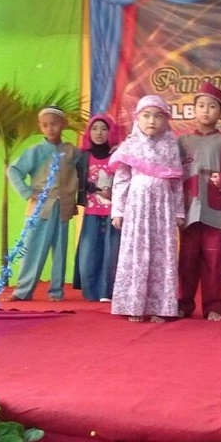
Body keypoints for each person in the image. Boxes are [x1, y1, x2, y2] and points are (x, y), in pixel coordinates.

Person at [108, 95, 185, 323]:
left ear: (166, 120)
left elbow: (176, 184)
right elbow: (121, 180)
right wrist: (118, 211)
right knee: (137, 252)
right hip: (137, 207)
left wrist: (179, 212)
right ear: (137, 118)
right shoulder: (130, 145)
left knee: (162, 254)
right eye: (146, 115)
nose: (152, 121)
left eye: (158, 116)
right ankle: (134, 305)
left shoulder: (171, 147)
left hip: (163, 209)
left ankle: (160, 307)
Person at [177, 82, 221, 321]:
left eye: (212, 106)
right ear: (194, 110)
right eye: (201, 105)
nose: (206, 110)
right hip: (188, 209)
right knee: (186, 261)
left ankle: (214, 306)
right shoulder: (182, 141)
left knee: (214, 261)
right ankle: (183, 303)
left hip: (216, 211)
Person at [7, 105, 81, 301]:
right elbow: (13, 170)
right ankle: (23, 291)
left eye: (54, 124)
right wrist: (27, 192)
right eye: (45, 125)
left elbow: (86, 168)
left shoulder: (71, 151)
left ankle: (56, 292)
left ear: (63, 124)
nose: (50, 129)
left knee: (60, 251)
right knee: (32, 249)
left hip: (63, 207)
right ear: (40, 127)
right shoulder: (36, 151)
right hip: (40, 209)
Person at [73, 115, 121, 302]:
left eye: (104, 128)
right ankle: (90, 292)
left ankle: (107, 292)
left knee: (111, 253)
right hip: (91, 212)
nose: (99, 133)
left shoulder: (118, 155)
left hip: (113, 214)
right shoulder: (83, 157)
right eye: (94, 128)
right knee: (88, 253)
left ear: (111, 132)